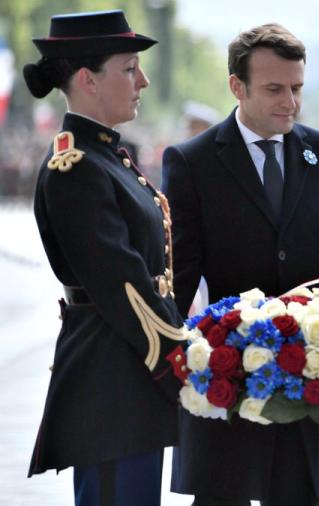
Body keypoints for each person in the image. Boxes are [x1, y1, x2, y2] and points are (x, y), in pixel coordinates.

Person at [161, 23, 319, 506]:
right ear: (236, 87)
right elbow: (178, 278)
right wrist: (170, 361)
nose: (291, 102)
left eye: (297, 88)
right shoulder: (191, 162)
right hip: (226, 383)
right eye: (275, 89)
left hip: (312, 381)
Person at [23, 9, 186, 506]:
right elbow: (123, 281)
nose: (143, 80)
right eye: (130, 68)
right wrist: (179, 355)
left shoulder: (107, 156)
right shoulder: (76, 167)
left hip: (128, 375)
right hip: (113, 380)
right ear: (88, 79)